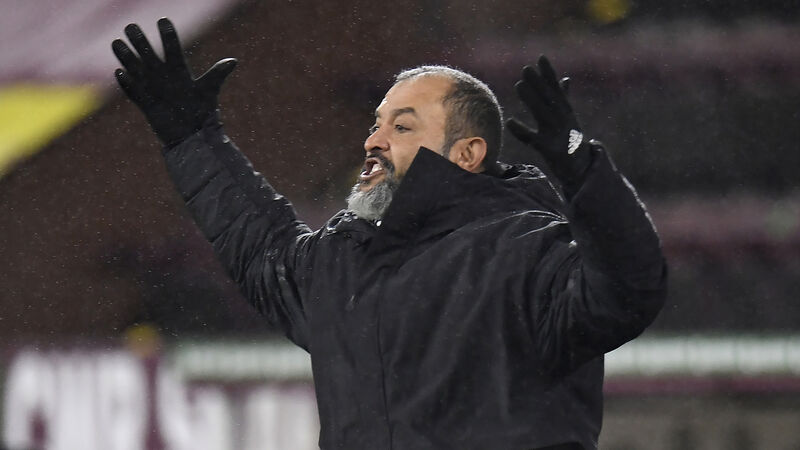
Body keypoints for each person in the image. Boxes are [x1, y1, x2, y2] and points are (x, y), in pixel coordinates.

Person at [112, 18, 666, 450]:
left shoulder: (530, 251)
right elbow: (259, 243)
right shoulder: (342, 262)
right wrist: (192, 139)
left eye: (401, 126)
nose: (373, 141)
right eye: (376, 124)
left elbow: (630, 289)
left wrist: (583, 170)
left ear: (467, 154)